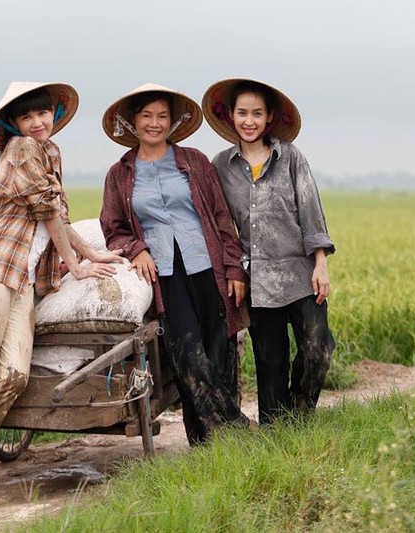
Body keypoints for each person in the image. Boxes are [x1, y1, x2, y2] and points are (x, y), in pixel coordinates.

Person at [0, 82, 122, 504]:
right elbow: (48, 210)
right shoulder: (21, 148)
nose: (37, 123)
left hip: (21, 284)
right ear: (14, 123)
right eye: (26, 117)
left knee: (16, 375)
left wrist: (88, 254)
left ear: (53, 116)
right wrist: (78, 264)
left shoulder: (51, 153)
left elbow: (57, 220)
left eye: (43, 115)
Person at [99, 83, 250, 446]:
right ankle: (228, 433)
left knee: (220, 349)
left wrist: (233, 268)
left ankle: (210, 444)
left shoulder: (194, 161)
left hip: (207, 265)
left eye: (162, 116)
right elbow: (113, 229)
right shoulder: (120, 174)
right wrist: (137, 248)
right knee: (187, 352)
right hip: (164, 274)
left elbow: (220, 215)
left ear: (172, 121)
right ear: (133, 122)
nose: (155, 124)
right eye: (147, 116)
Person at [202, 78, 336, 424]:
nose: (249, 121)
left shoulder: (290, 157)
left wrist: (320, 263)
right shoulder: (221, 166)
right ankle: (277, 429)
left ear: (269, 117)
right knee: (269, 361)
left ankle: (299, 417)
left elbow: (311, 210)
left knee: (318, 349)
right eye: (242, 113)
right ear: (231, 116)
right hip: (256, 278)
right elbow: (220, 225)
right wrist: (233, 271)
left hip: (300, 273)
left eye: (257, 113)